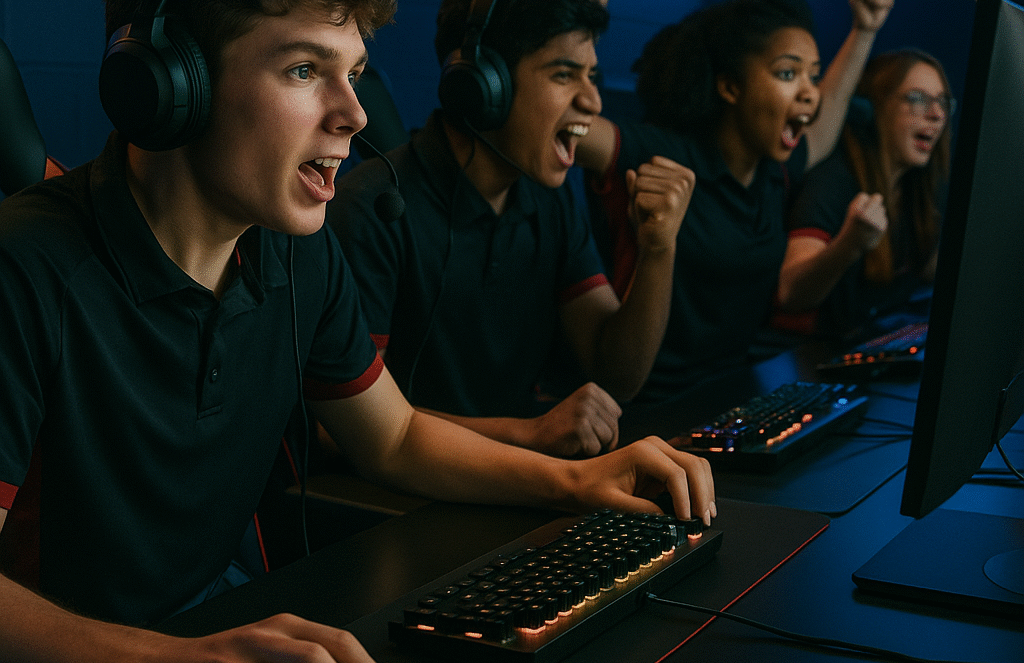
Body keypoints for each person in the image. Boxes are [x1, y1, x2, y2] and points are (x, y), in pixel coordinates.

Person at [0, 1, 716, 661]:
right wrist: (179, 657)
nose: (354, 114)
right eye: (306, 69)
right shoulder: (25, 267)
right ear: (167, 85)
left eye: (357, 74)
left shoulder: (297, 250)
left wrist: (574, 480)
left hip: (224, 622)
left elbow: (394, 436)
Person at [328, 0, 696, 458]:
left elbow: (615, 373)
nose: (593, 101)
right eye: (564, 75)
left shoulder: (549, 199)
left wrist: (658, 251)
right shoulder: (374, 208)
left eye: (592, 76)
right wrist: (530, 434)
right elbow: (341, 425)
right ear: (482, 84)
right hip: (402, 507)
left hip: (518, 485)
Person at [576, 0, 894, 402]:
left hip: (731, 396)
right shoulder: (658, 153)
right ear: (730, 87)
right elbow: (565, 122)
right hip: (644, 408)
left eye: (812, 77)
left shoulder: (772, 172)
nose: (809, 94)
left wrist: (865, 29)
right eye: (787, 73)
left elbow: (825, 125)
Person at [773, 49, 952, 337]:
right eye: (918, 99)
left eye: (943, 102)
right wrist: (850, 244)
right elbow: (791, 292)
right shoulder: (835, 180)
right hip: (811, 356)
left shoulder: (918, 188)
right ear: (876, 107)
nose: (937, 114)